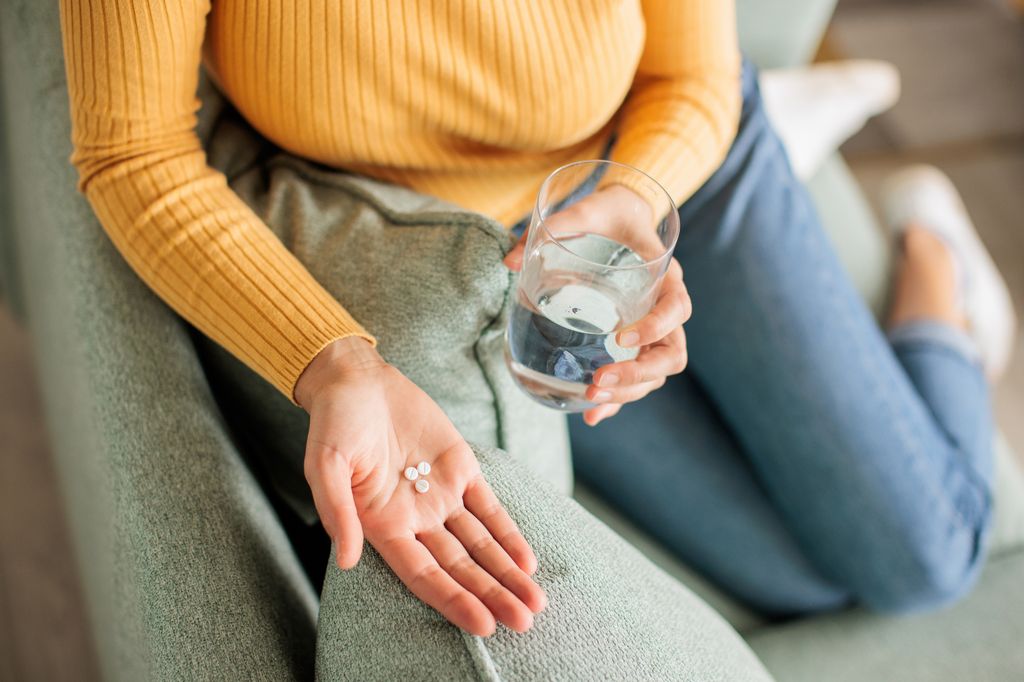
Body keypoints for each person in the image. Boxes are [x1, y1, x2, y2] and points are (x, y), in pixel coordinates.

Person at [57, 0, 1012, 636]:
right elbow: (132, 152)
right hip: (507, 260)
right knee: (803, 581)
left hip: (663, 171)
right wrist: (332, 362)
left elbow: (690, 78)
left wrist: (637, 202)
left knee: (928, 558)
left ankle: (934, 273)